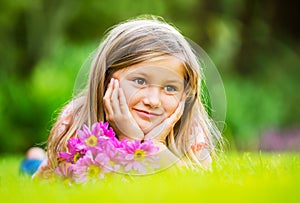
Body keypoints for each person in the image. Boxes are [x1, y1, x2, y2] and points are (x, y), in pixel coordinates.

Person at [26, 15, 223, 179]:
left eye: (170, 87)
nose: (152, 101)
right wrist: (130, 138)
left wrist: (156, 145)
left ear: (186, 95)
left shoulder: (190, 128)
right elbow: (88, 185)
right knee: (33, 165)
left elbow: (195, 185)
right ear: (106, 78)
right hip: (44, 169)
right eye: (139, 81)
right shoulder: (76, 121)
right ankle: (34, 159)